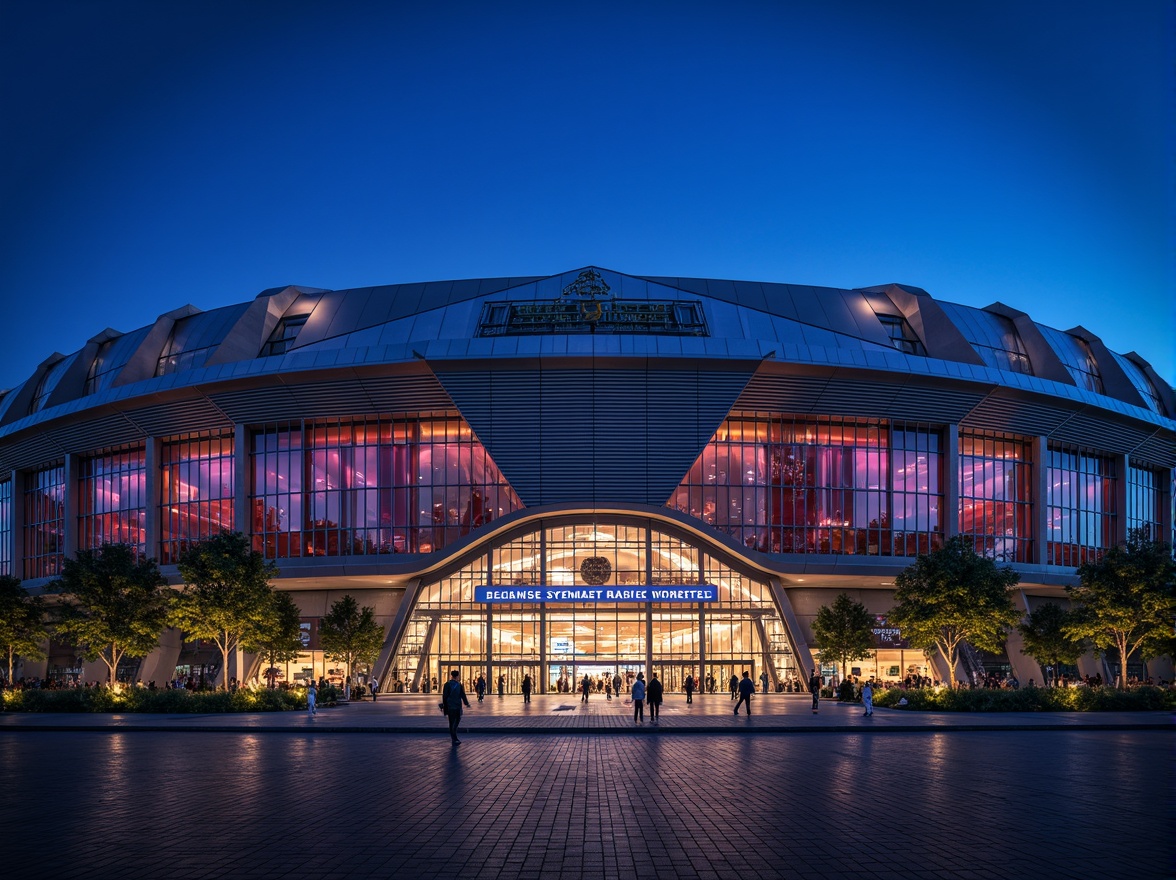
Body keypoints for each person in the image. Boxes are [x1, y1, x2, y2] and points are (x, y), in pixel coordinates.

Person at [443, 669, 471, 745]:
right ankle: (454, 737)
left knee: (451, 722)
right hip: (457, 706)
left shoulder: (447, 684)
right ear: (457, 676)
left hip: (450, 706)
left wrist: (445, 708)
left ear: (451, 676)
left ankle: (454, 738)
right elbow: (463, 695)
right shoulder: (459, 685)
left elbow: (445, 696)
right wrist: (466, 703)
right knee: (456, 721)